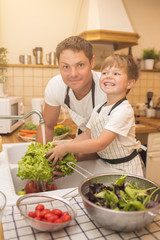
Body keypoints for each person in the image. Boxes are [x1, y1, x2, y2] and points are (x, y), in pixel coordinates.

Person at [47, 54, 145, 177]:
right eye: (104, 73)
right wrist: (69, 151)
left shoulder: (123, 110)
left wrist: (67, 148)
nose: (108, 76)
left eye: (116, 73)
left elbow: (100, 143)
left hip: (126, 170)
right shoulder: (99, 108)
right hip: (106, 166)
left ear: (130, 83)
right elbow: (87, 134)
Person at [36, 36, 107, 155]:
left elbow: (103, 142)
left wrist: (70, 155)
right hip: (83, 140)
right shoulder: (56, 86)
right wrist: (41, 159)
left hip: (111, 149)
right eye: (66, 67)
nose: (73, 74)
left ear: (92, 62)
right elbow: (47, 126)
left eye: (80, 65)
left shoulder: (106, 87)